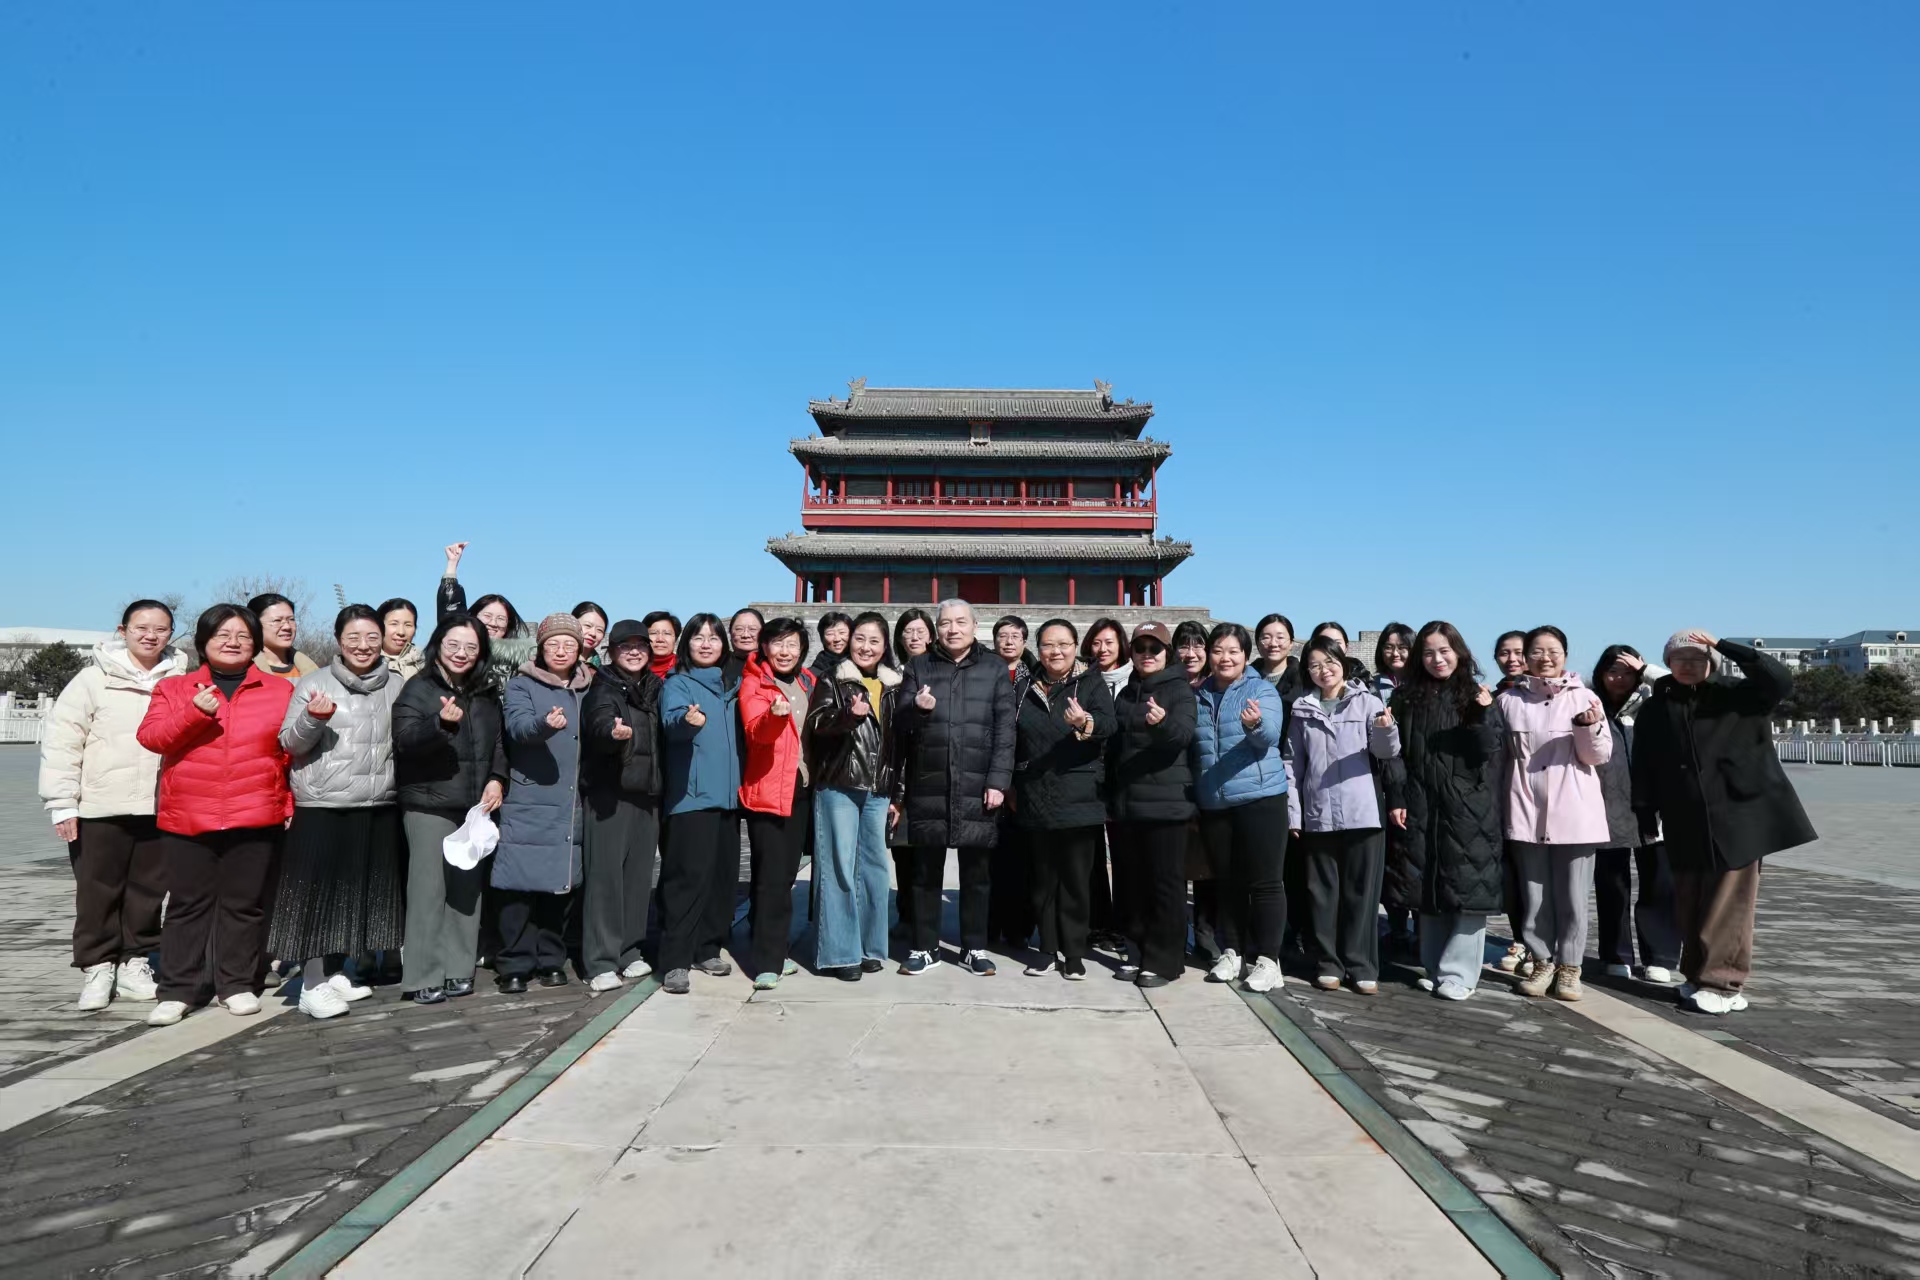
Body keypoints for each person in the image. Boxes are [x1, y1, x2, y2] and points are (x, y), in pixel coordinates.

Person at [1632, 632, 1815, 1016]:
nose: (1687, 665)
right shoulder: (1656, 707)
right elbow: (1645, 762)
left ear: (1712, 662)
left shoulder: (1740, 694)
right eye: (1678, 658)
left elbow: (1779, 678)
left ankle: (1723, 983)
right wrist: (1645, 809)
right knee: (1690, 902)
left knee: (1728, 904)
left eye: (1697, 658)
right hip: (1683, 817)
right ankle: (1697, 976)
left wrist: (1725, 645)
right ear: (1667, 663)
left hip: (1739, 816)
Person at [137, 604, 295, 1026]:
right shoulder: (174, 688)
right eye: (222, 634)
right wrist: (194, 712)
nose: (232, 642)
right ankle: (177, 990)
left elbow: (288, 754)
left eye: (243, 636)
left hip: (255, 810)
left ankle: (237, 983)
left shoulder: (280, 690)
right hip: (188, 813)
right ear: (203, 642)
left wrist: (286, 802)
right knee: (187, 905)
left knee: (245, 905)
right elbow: (152, 738)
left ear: (255, 644)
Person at [39, 600, 190, 1011]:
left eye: (161, 629)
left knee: (148, 891)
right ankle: (98, 965)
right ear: (122, 631)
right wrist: (62, 803)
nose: (151, 635)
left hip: (160, 805)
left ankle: (135, 962)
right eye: (141, 627)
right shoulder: (92, 680)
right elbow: (63, 742)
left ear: (171, 634)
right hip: (99, 805)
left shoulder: (182, 680)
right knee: (97, 890)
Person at [271, 605, 407, 1020]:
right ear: (338, 641)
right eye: (353, 638)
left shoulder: (398, 685)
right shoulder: (313, 683)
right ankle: (311, 984)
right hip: (323, 805)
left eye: (371, 637)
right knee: (316, 897)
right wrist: (313, 718)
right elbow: (290, 743)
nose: (363, 646)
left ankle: (334, 973)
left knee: (357, 895)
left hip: (378, 803)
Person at [1382, 623, 1506, 1001]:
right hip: (1420, 803)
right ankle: (1435, 968)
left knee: (1466, 891)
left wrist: (1482, 714)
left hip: (1467, 807)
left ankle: (1460, 974)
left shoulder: (1475, 694)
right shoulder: (1406, 698)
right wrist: (1397, 796)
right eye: (1429, 652)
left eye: (1444, 651)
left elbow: (1489, 749)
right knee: (1428, 888)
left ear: (1459, 653)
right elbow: (1395, 754)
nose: (1437, 659)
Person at [894, 599, 1018, 976]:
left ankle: (973, 947)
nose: (953, 629)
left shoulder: (994, 667)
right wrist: (917, 707)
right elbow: (900, 723)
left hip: (978, 784)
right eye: (945, 623)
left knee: (977, 874)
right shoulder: (919, 665)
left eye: (960, 622)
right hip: (929, 782)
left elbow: (1005, 730)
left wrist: (998, 780)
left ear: (975, 626)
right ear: (937, 629)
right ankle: (925, 947)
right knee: (925, 873)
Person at [393, 612, 506, 1004]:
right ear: (438, 644)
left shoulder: (486, 692)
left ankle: (459, 968)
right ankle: (423, 975)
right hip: (430, 803)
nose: (462, 653)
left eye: (471, 647)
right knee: (428, 890)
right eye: (453, 644)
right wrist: (440, 724)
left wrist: (498, 778)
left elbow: (499, 743)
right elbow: (405, 740)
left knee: (466, 890)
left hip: (473, 806)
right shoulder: (419, 687)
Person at [1498, 625, 1611, 1002]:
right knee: (1534, 897)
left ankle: (1570, 967)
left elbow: (1598, 756)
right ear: (1525, 657)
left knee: (1574, 898)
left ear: (1565, 655)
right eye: (1537, 651)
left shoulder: (1584, 697)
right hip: (1525, 808)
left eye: (1553, 651)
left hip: (1575, 812)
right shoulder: (1509, 701)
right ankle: (1541, 961)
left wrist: (1587, 727)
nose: (1545, 658)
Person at [1285, 636, 1400, 995]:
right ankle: (1328, 963)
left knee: (1361, 895)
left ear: (1343, 663)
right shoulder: (1302, 709)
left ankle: (1361, 964)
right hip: (1319, 813)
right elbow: (1292, 764)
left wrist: (1386, 729)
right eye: (1315, 665)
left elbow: (1386, 752)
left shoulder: (1367, 702)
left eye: (1330, 662)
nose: (1324, 670)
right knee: (1322, 894)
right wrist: (1294, 814)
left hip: (1362, 813)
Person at [493, 613, 594, 993]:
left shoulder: (589, 686)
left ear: (580, 649)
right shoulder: (522, 684)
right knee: (519, 886)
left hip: (572, 800)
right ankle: (514, 963)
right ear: (540, 648)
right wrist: (544, 725)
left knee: (560, 886)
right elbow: (517, 728)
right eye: (553, 644)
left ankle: (552, 959)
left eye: (569, 644)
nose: (561, 651)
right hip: (531, 798)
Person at [1012, 620, 1115, 979]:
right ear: (1038, 649)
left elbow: (1109, 724)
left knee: (1074, 880)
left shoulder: (1091, 683)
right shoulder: (1024, 686)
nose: (1056, 651)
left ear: (1075, 647)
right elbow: (1012, 737)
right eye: (1048, 645)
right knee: (1042, 879)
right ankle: (1047, 949)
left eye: (1063, 644)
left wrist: (1085, 722)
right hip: (1035, 794)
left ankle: (1073, 952)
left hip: (1079, 795)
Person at [1192, 622, 1291, 992]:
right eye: (1218, 650)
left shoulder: (1260, 689)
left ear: (1246, 656)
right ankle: (1232, 952)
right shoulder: (1199, 694)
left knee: (1265, 882)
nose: (1225, 658)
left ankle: (1268, 960)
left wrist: (1255, 725)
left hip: (1260, 798)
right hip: (1216, 802)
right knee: (1227, 882)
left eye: (1233, 651)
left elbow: (1269, 737)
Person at [807, 612, 900, 981]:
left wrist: (898, 794)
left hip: (878, 789)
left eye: (874, 641)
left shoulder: (894, 685)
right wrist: (848, 716)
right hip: (839, 784)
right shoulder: (833, 678)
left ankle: (869, 947)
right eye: (860, 639)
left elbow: (900, 744)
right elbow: (816, 724)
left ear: (885, 646)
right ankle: (840, 953)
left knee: (875, 870)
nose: (866, 647)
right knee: (839, 868)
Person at [658, 614, 745, 994]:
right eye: (698, 637)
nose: (706, 644)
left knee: (722, 880)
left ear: (724, 645)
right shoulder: (678, 683)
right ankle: (675, 960)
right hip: (691, 800)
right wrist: (687, 722)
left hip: (728, 799)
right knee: (686, 881)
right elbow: (671, 722)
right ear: (686, 644)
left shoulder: (732, 686)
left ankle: (707, 948)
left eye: (713, 638)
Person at [1108, 623, 1199, 986]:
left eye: (1155, 648)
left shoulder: (1180, 690)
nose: (1147, 654)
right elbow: (1115, 746)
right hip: (1128, 805)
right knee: (1132, 885)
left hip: (1167, 806)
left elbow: (1182, 735)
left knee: (1165, 886)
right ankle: (1136, 951)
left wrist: (1161, 725)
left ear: (1167, 653)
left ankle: (1164, 961)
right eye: (1140, 648)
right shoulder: (1126, 693)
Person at [578, 620, 664, 993]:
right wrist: (612, 735)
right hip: (610, 795)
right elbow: (599, 723)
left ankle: (629, 951)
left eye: (640, 646)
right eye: (625, 646)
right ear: (611, 652)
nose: (633, 652)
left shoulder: (654, 689)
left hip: (647, 795)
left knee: (638, 880)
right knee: (605, 880)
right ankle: (599, 960)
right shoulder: (603, 688)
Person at [1591, 645, 1681, 985]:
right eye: (1612, 671)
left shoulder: (1655, 700)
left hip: (1653, 809)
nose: (1619, 678)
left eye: (1628, 672)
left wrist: (1647, 671)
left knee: (1659, 885)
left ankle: (1660, 956)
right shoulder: (1589, 703)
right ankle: (1616, 955)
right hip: (1606, 808)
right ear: (1601, 674)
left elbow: (1684, 687)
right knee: (1611, 886)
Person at [739, 617, 816, 990]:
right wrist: (773, 717)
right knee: (771, 878)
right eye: (778, 643)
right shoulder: (755, 683)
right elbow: (756, 733)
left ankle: (773, 947)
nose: (785, 651)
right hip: (768, 792)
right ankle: (767, 962)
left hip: (801, 790)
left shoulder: (807, 681)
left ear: (802, 649)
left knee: (785, 876)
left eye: (792, 644)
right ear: (765, 647)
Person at [1173, 619, 1231, 965]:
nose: (1191, 653)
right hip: (1175, 789)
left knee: (1208, 869)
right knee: (1175, 867)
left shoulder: (1216, 687)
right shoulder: (1165, 685)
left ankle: (1206, 935)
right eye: (1184, 645)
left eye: (1198, 645)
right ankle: (1176, 935)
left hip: (1210, 787)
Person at [1082, 617, 1130, 951]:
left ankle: (1125, 926)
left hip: (1123, 778)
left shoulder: (1135, 679)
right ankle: (1098, 924)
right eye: (1097, 643)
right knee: (1092, 858)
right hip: (1089, 776)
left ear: (1121, 645)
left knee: (1125, 857)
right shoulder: (1083, 680)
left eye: (1109, 642)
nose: (1102, 649)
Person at [989, 614, 1037, 947]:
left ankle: (1019, 928)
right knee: (990, 860)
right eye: (1003, 636)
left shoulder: (1034, 678)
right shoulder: (984, 673)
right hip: (989, 774)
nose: (1008, 641)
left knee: (1022, 859)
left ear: (1024, 641)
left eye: (1015, 636)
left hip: (1024, 775)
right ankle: (989, 926)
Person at [888, 606, 935, 936]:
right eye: (908, 631)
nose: (914, 637)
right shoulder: (891, 676)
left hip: (932, 772)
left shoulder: (942, 673)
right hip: (898, 771)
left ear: (931, 636)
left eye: (920, 631)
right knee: (902, 851)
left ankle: (926, 918)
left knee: (928, 853)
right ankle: (906, 915)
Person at [1372, 621, 1418, 953]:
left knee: (1416, 857)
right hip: (1382, 777)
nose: (1395, 653)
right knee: (1392, 860)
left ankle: (1422, 928)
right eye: (1389, 647)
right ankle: (1398, 926)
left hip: (1416, 779)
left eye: (1402, 647)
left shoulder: (1423, 685)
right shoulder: (1371, 687)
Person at [1489, 627, 1532, 974]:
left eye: (1519, 652)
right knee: (1512, 875)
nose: (1512, 659)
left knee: (1537, 875)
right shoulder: (1493, 697)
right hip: (1502, 795)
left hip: (1537, 795)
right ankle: (1521, 938)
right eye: (1504, 653)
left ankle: (1541, 945)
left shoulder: (1546, 695)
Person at [437, 542, 535, 689]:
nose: (493, 623)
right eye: (487, 616)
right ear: (474, 617)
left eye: (501, 619)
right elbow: (451, 615)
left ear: (508, 624)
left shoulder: (525, 658)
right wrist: (452, 565)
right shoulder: (464, 653)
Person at [248, 593, 319, 681]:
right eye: (277, 620)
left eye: (291, 619)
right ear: (254, 625)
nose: (287, 627)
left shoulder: (313, 673)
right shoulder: (243, 673)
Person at [1309, 620, 1372, 685]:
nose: (1331, 647)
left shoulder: (1360, 675)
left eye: (1337, 643)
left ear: (1346, 647)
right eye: (1324, 643)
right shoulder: (1306, 682)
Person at [379, 597, 424, 682]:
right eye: (394, 624)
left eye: (408, 625)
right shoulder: (367, 663)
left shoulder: (426, 665)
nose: (401, 632)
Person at [810, 611, 853, 683]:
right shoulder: (811, 674)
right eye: (830, 634)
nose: (837, 639)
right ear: (822, 638)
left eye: (842, 632)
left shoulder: (863, 667)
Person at [725, 608, 765, 684]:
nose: (746, 635)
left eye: (752, 629)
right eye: (739, 629)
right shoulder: (720, 664)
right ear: (730, 632)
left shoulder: (773, 665)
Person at [643, 610, 680, 680]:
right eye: (653, 633)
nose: (660, 639)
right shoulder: (634, 670)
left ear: (675, 639)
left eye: (667, 633)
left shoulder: (685, 670)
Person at [572, 602, 609, 667]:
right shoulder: (558, 660)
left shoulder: (601, 671)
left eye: (599, 630)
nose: (593, 633)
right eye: (588, 626)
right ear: (572, 623)